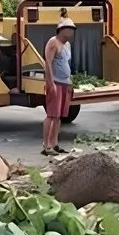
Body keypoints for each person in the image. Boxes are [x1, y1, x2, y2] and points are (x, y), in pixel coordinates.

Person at [42, 16, 76, 156]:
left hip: (65, 82)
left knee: (59, 116)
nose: (71, 32)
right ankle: (46, 145)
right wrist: (50, 83)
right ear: (61, 30)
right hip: (55, 82)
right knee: (51, 114)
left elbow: (66, 64)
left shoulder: (67, 45)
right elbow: (48, 63)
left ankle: (55, 143)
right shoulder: (53, 42)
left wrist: (70, 81)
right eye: (69, 29)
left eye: (72, 30)